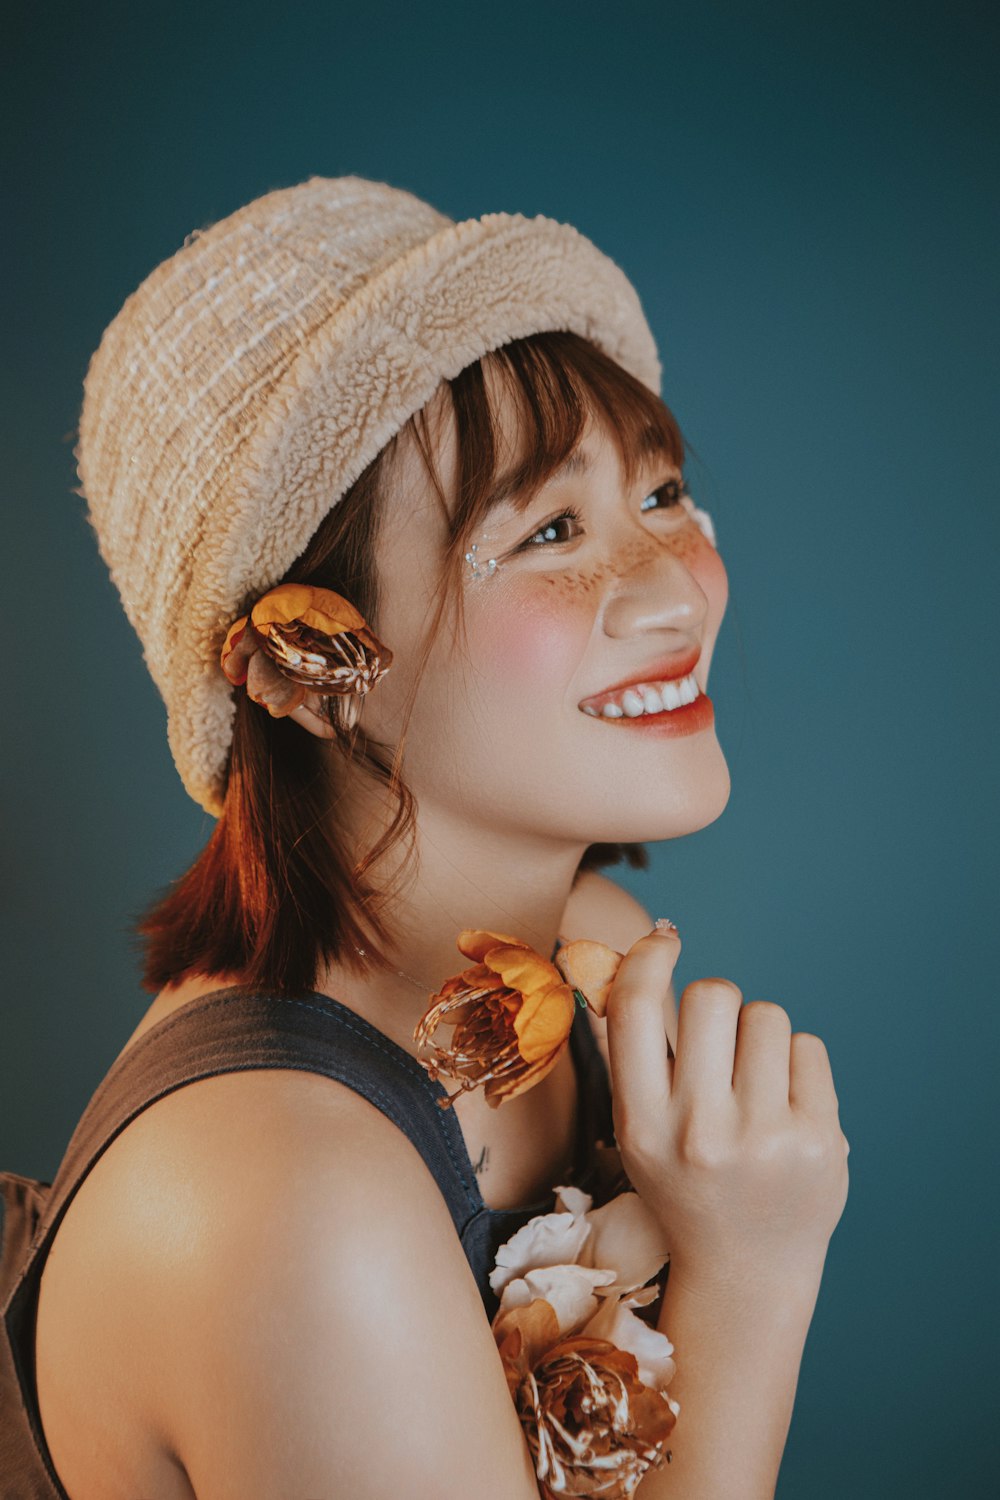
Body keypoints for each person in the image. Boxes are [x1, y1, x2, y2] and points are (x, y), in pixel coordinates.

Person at [2, 176, 849, 1498]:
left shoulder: (588, 963)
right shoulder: (286, 1199)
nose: (674, 588)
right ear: (297, 670)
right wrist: (749, 1276)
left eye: (666, 492)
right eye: (553, 529)